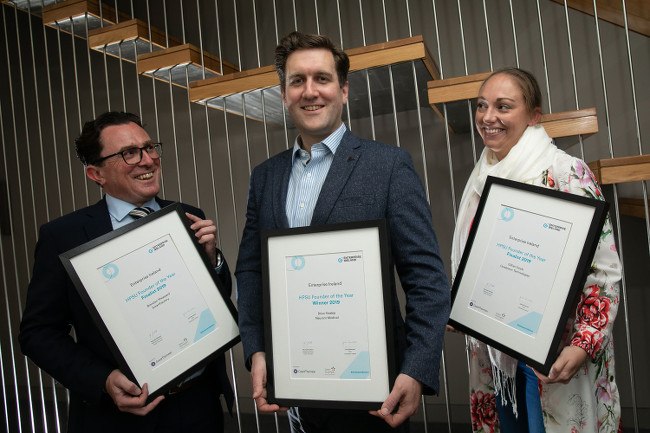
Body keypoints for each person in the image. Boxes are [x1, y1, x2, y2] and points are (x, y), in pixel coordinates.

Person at [235, 31, 450, 433]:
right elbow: (249, 271)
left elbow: (426, 277)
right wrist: (257, 348)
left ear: (344, 89)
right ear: (284, 94)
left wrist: (416, 369)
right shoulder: (265, 177)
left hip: (371, 398)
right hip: (292, 391)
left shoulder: (387, 166)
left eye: (322, 78)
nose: (309, 91)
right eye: (297, 81)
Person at [19, 111, 234, 433]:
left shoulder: (189, 217)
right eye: (129, 153)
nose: (147, 160)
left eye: (149, 147)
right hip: (118, 419)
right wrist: (102, 380)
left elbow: (216, 296)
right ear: (96, 174)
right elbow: (38, 333)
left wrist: (213, 258)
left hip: (199, 405)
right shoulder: (63, 236)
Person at [451, 68, 621, 432]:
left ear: (534, 116)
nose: (488, 116)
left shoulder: (564, 173)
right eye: (481, 106)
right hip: (497, 357)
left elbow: (603, 271)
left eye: (503, 106)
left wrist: (583, 343)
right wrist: (463, 304)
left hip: (555, 356)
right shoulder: (482, 178)